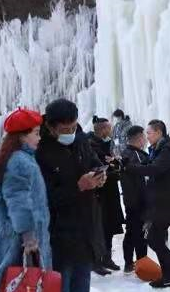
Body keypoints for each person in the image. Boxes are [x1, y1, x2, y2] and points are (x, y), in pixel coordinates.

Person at [36, 99, 106, 292]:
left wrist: (99, 174)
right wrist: (78, 187)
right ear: (51, 127)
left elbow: (94, 161)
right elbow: (44, 197)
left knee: (82, 282)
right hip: (58, 236)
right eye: (65, 130)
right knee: (61, 284)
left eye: (73, 127)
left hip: (85, 231)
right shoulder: (40, 150)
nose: (70, 133)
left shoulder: (81, 139)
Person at [124, 120, 170, 288]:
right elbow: (148, 165)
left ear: (158, 132)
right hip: (160, 201)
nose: (147, 136)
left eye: (149, 133)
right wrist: (126, 164)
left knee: (154, 238)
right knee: (154, 238)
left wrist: (130, 168)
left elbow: (154, 169)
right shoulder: (159, 148)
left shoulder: (167, 150)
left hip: (165, 202)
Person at [0, 108, 51, 279]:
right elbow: (17, 200)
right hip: (22, 241)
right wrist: (28, 236)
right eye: (36, 133)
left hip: (24, 238)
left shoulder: (21, 158)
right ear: (22, 136)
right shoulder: (19, 161)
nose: (39, 138)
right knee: (24, 282)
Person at [88, 116, 125, 272]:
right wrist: (111, 166)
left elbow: (114, 166)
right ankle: (96, 260)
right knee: (99, 226)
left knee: (109, 226)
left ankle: (107, 257)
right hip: (99, 193)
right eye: (109, 129)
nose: (111, 131)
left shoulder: (107, 144)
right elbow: (98, 168)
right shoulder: (91, 145)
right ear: (102, 130)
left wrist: (114, 164)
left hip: (111, 192)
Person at [120, 126, 149, 274]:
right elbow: (143, 179)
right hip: (138, 202)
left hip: (130, 201)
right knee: (140, 235)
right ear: (138, 139)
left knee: (131, 233)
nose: (146, 139)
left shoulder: (126, 154)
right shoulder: (135, 156)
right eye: (144, 136)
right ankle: (142, 264)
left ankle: (129, 263)